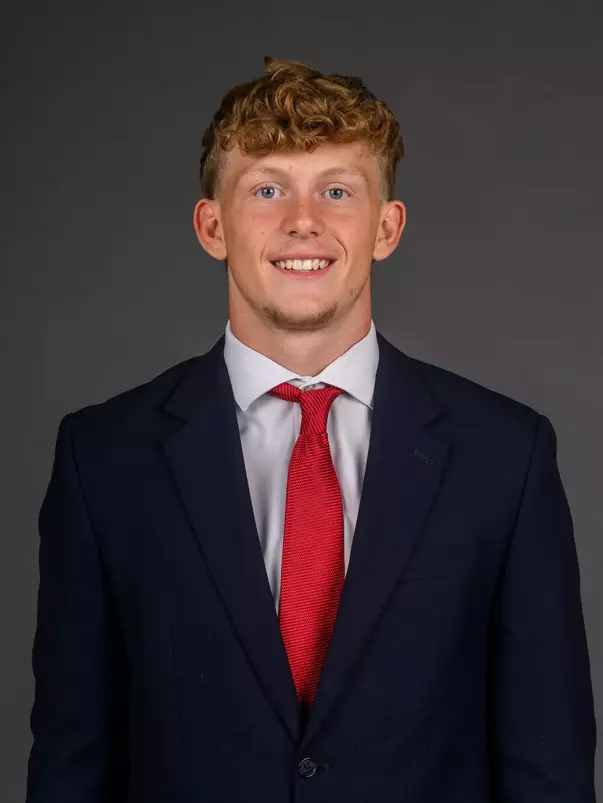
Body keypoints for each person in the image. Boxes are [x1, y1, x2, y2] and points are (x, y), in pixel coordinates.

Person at [26, 56, 596, 803]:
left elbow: (547, 765)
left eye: (337, 190)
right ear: (211, 225)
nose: (304, 221)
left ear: (386, 227)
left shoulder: (505, 455)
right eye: (266, 189)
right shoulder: (103, 458)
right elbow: (73, 759)